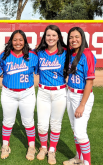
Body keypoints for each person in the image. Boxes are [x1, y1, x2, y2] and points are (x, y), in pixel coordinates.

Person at [0, 30, 38, 161]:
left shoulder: (32, 56)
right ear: (11, 41)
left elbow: (37, 71)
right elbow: (0, 71)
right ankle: (5, 145)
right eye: (15, 39)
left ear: (25, 41)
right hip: (8, 92)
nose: (18, 42)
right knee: (8, 121)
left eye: (21, 39)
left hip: (27, 92)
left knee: (28, 121)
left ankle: (31, 146)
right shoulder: (4, 55)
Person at [34, 25, 68, 165]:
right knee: (42, 124)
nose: (51, 38)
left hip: (60, 92)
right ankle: (43, 147)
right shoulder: (39, 52)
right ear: (44, 37)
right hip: (43, 92)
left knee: (55, 123)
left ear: (59, 37)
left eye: (54, 35)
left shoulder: (66, 52)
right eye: (48, 35)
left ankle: (52, 150)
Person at [63, 27, 96, 165]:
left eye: (76, 37)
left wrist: (82, 105)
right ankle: (78, 157)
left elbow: (89, 82)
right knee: (74, 129)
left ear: (82, 38)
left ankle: (86, 162)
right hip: (70, 93)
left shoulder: (87, 54)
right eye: (71, 37)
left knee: (80, 132)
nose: (73, 40)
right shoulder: (70, 53)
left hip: (82, 97)